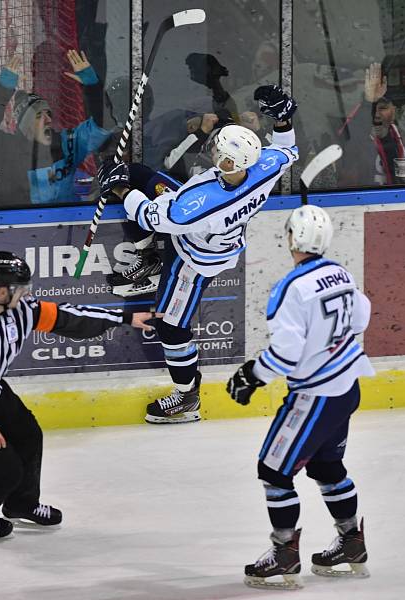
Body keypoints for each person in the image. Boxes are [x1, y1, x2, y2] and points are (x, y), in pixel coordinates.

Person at [97, 84, 299, 424]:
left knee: (171, 327)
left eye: (219, 149)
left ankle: (187, 396)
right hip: (205, 235)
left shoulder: (203, 205)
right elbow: (286, 149)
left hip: (193, 261)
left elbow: (151, 216)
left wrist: (118, 187)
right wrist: (282, 120)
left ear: (230, 161)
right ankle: (148, 259)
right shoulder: (263, 168)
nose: (214, 148)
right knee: (143, 174)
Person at [0, 251, 157, 539]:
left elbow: (69, 317)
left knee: (29, 437)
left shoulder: (21, 310)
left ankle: (21, 504)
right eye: (19, 289)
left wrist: (125, 318)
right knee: (5, 471)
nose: (25, 293)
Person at [226, 205, 374, 589]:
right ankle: (350, 543)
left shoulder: (292, 287)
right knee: (327, 469)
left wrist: (251, 375)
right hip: (347, 386)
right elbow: (361, 317)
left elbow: (287, 353)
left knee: (274, 472)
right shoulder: (340, 273)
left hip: (316, 395)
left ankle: (284, 554)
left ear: (291, 238)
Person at [0, 52, 111, 207]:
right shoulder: (7, 150)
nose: (48, 119)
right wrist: (3, 88)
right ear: (25, 124)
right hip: (17, 227)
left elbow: (101, 125)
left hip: (66, 225)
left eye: (49, 113)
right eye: (39, 115)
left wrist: (92, 87)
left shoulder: (67, 144)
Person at [338, 63, 405, 187]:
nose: (377, 115)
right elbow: (349, 139)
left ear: (394, 112)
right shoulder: (358, 138)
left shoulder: (397, 136)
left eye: (383, 108)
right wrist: (368, 102)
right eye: (373, 110)